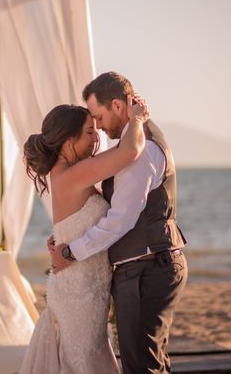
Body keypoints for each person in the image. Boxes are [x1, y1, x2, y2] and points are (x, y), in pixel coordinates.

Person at [50, 72, 187, 374]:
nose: (97, 127)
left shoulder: (141, 149)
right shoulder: (132, 144)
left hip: (147, 268)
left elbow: (120, 220)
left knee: (142, 366)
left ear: (116, 105)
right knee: (150, 363)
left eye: (98, 117)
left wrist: (72, 251)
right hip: (146, 267)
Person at [20, 93, 148, 373]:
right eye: (89, 132)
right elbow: (129, 152)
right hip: (80, 290)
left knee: (86, 357)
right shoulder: (72, 174)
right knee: (86, 360)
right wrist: (138, 117)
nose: (96, 139)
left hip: (84, 285)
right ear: (68, 141)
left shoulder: (70, 171)